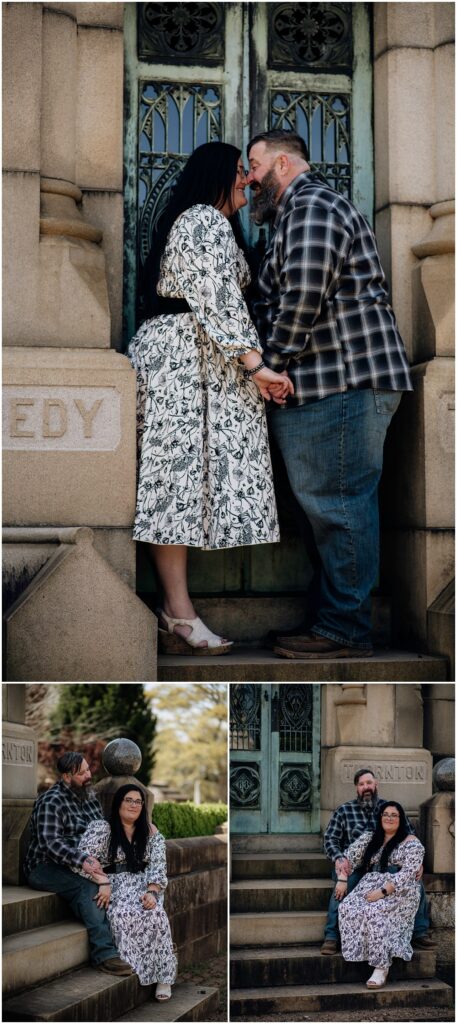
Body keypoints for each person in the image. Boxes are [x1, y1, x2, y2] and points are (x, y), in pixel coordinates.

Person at [246, 129, 413, 659]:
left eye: (253, 166)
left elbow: (305, 295)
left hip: (343, 383)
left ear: (282, 165)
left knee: (339, 507)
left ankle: (344, 630)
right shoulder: (296, 214)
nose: (248, 180)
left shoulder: (312, 205)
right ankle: (330, 621)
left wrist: (270, 365)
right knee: (328, 511)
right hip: (330, 384)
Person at [128, 141, 293, 656]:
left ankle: (177, 612)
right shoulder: (202, 219)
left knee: (178, 487)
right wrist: (258, 367)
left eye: (251, 170)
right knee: (173, 488)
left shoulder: (212, 224)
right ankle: (178, 612)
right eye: (241, 171)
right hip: (182, 365)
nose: (248, 179)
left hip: (196, 363)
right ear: (218, 176)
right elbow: (217, 298)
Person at [24, 752, 133, 977]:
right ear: (66, 777)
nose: (88, 775)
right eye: (82, 773)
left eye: (87, 769)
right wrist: (87, 865)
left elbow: (99, 833)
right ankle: (104, 955)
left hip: (85, 862)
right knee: (89, 889)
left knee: (127, 879)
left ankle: (134, 944)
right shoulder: (51, 801)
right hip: (45, 866)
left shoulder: (89, 796)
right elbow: (51, 844)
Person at [73, 784, 177, 1001]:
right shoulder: (102, 828)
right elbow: (83, 859)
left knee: (155, 914)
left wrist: (152, 892)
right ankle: (133, 969)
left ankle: (164, 977)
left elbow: (158, 865)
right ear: (118, 802)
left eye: (138, 801)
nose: (134, 805)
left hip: (143, 885)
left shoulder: (150, 831)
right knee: (120, 915)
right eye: (128, 800)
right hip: (112, 885)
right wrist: (101, 881)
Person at [321, 768, 434, 955]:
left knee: (414, 880)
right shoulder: (344, 810)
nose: (366, 787)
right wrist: (340, 859)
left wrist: (417, 862)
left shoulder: (389, 809)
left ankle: (419, 932)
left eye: (369, 783)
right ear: (356, 788)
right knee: (343, 888)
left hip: (383, 865)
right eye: (361, 784)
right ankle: (332, 936)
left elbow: (410, 837)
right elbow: (330, 839)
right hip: (352, 864)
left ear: (376, 785)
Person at [337, 801, 425, 988]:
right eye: (386, 814)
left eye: (394, 815)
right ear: (380, 817)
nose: (389, 818)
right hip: (371, 881)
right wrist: (342, 878)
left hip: (399, 889)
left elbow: (408, 873)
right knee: (348, 907)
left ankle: (381, 967)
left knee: (376, 912)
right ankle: (366, 952)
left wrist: (383, 891)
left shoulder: (411, 842)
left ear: (401, 820)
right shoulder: (371, 837)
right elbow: (348, 857)